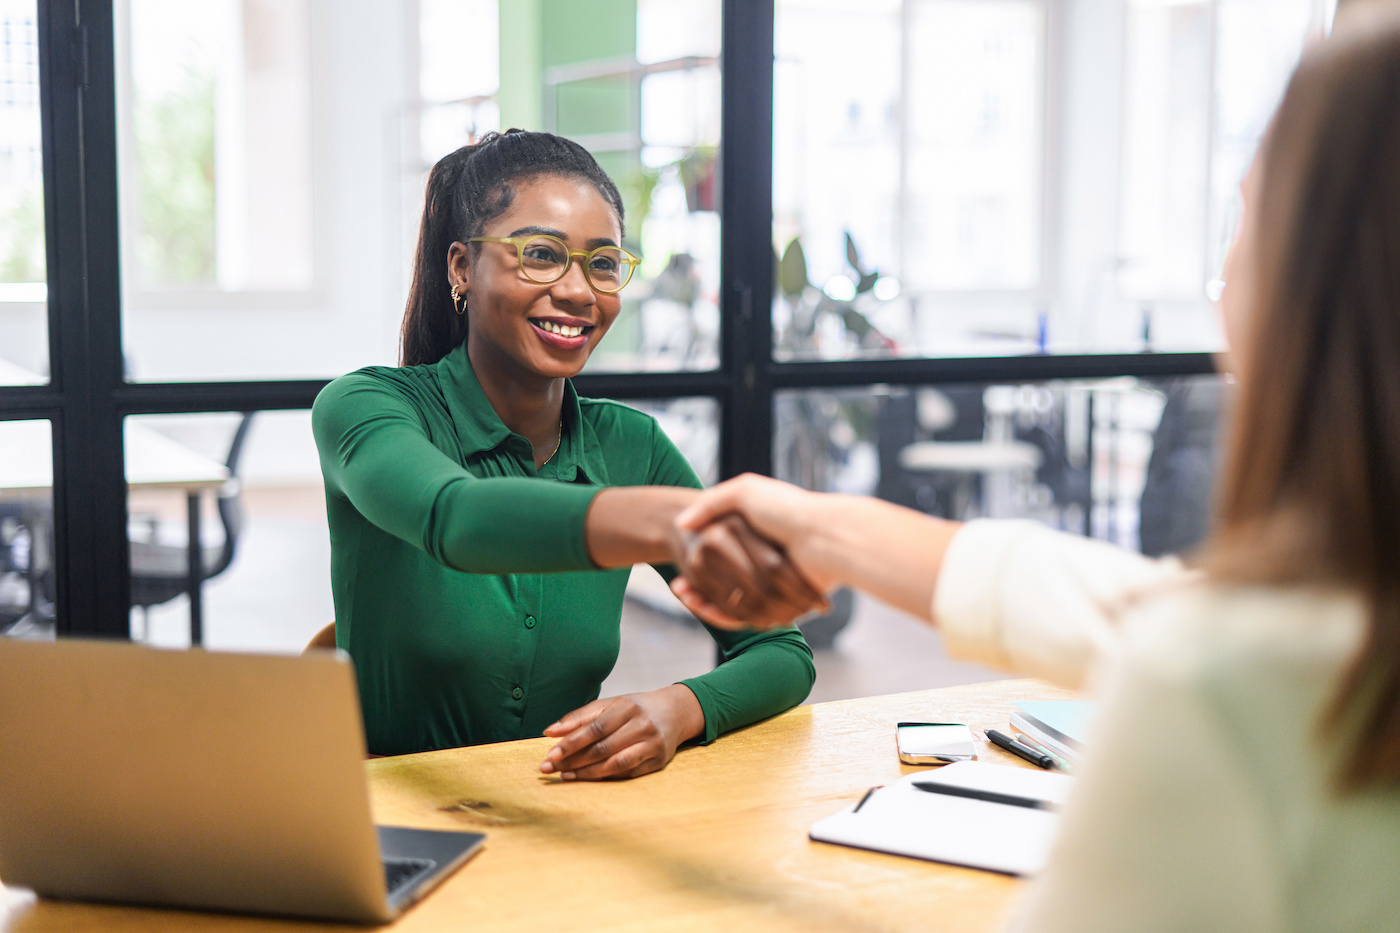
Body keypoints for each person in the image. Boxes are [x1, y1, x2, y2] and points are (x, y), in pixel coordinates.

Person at [673, 8, 1400, 930]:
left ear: (1322, 288)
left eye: (1247, 222)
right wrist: (829, 529)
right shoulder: (1294, 644)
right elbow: (1155, 611)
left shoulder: (1224, 690)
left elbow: (1205, 650)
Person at [311, 129, 824, 776]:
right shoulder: (368, 408)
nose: (580, 291)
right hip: (391, 823)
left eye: (603, 263)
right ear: (461, 267)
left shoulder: (630, 445)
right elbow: (456, 517)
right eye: (541, 255)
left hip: (558, 814)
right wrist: (664, 521)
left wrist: (681, 707)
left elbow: (780, 649)